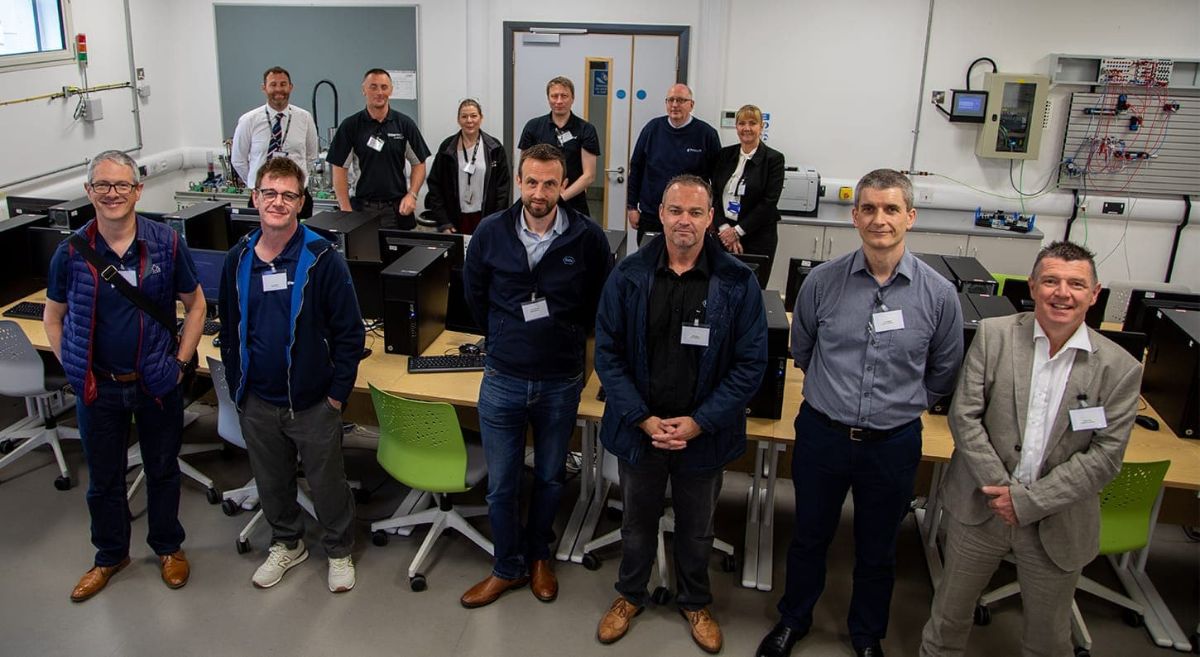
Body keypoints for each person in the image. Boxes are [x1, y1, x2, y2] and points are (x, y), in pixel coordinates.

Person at [757, 169, 964, 657]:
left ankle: (867, 633)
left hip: (892, 444)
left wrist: (899, 406)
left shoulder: (937, 295)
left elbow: (944, 370)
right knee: (809, 535)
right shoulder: (822, 283)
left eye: (891, 209)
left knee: (878, 548)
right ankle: (794, 618)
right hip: (824, 435)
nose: (879, 219)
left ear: (910, 217)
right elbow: (802, 350)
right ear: (855, 217)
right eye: (869, 208)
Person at [919, 242, 1143, 656]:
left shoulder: (1120, 368)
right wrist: (1002, 492)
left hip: (1057, 521)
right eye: (1052, 281)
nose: (1063, 293)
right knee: (948, 619)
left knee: (1048, 637)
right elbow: (964, 417)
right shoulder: (995, 336)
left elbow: (1106, 456)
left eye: (1077, 284)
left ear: (1094, 295)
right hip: (980, 510)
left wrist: (1028, 501)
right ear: (1034, 286)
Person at [593, 175, 768, 653]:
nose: (683, 221)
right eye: (674, 211)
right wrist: (643, 419)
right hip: (640, 431)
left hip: (703, 435)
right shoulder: (628, 275)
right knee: (635, 522)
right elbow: (607, 354)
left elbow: (751, 364)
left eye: (695, 212)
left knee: (697, 527)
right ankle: (629, 595)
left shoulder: (737, 281)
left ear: (711, 218)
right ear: (660, 214)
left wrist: (699, 422)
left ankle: (695, 600)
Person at [44, 150, 205, 602]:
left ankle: (168, 548)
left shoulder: (166, 243)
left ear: (138, 191)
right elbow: (53, 317)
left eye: (121, 185)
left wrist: (179, 362)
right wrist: (73, 366)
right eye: (102, 185)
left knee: (162, 470)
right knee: (104, 481)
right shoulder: (71, 252)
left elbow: (196, 306)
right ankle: (110, 555)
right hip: (99, 387)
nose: (112, 193)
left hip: (156, 383)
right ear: (89, 192)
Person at [460, 143, 612, 608]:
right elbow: (475, 295)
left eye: (550, 182)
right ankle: (507, 566)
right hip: (503, 374)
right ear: (519, 182)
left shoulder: (588, 237)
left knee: (548, 476)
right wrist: (503, 333)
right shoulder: (490, 231)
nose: (540, 192)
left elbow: (599, 303)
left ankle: (540, 555)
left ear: (562, 184)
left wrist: (564, 333)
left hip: (561, 378)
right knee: (503, 482)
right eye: (532, 181)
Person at [217, 156, 366, 593]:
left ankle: (339, 550)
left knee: (327, 482)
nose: (277, 202)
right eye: (269, 193)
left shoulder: (323, 259)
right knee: (272, 481)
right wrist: (239, 388)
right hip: (258, 400)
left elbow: (349, 333)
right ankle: (287, 543)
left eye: (287, 195)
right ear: (254, 197)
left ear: (301, 202)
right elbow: (229, 328)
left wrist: (337, 395)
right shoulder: (238, 258)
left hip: (314, 402)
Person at [326, 68, 431, 229]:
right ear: (364, 90)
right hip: (362, 209)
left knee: (400, 253)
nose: (379, 92)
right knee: (363, 254)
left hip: (397, 210)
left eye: (384, 87)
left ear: (391, 90)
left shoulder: (404, 124)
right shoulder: (351, 126)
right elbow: (339, 168)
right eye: (373, 87)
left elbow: (419, 163)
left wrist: (413, 194)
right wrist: (345, 209)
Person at [626, 84, 720, 244]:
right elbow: (636, 168)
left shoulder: (706, 134)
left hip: (689, 218)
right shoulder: (652, 129)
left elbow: (717, 179)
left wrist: (713, 217)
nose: (675, 105)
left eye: (681, 100)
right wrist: (632, 207)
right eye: (671, 100)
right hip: (652, 214)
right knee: (649, 263)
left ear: (691, 104)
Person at [231, 66, 320, 218]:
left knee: (299, 240)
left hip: (297, 198)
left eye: (283, 84)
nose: (279, 89)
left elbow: (311, 156)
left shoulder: (305, 118)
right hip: (263, 200)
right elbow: (238, 160)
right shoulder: (248, 120)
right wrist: (258, 184)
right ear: (264, 88)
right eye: (273, 84)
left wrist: (296, 183)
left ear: (290, 87)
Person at [711, 104, 785, 273]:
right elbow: (713, 193)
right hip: (723, 235)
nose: (747, 128)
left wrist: (737, 232)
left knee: (752, 289)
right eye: (742, 123)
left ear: (762, 126)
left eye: (752, 123)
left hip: (757, 236)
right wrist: (724, 229)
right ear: (736, 126)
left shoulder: (773, 159)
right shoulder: (724, 155)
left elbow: (769, 202)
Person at [423, 99, 511, 234]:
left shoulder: (494, 147)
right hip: (455, 220)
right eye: (464, 116)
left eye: (474, 116)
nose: (469, 120)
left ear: (481, 118)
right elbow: (435, 186)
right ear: (458, 120)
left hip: (485, 219)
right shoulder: (447, 148)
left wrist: (495, 221)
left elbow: (503, 189)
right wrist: (444, 222)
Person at [517, 77, 600, 217]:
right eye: (554, 96)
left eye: (564, 96)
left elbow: (589, 175)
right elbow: (523, 169)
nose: (559, 101)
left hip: (574, 203)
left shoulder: (586, 130)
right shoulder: (533, 127)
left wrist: (559, 198)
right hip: (539, 202)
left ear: (572, 98)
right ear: (548, 98)